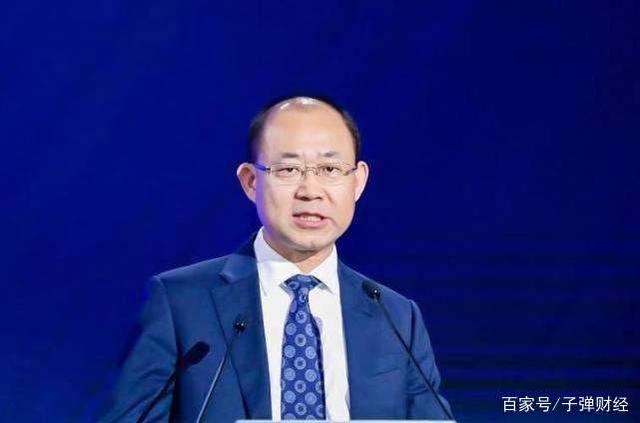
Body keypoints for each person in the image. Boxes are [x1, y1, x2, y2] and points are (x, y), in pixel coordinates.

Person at [101, 96, 453, 422]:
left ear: (358, 182)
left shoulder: (396, 316)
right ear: (251, 181)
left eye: (330, 170)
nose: (310, 191)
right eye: (288, 170)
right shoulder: (181, 302)